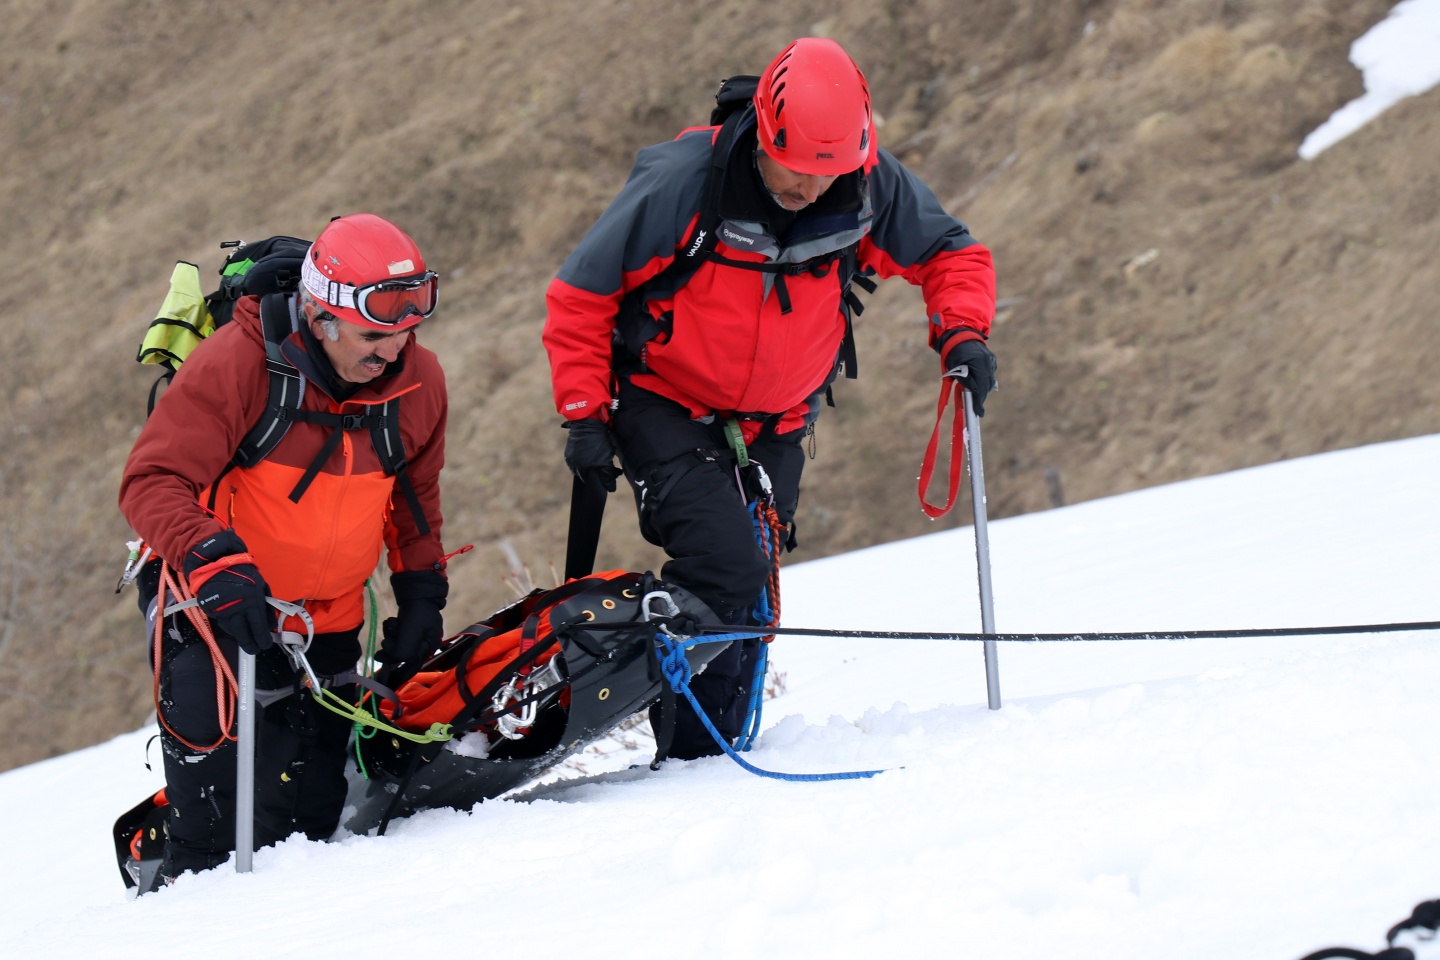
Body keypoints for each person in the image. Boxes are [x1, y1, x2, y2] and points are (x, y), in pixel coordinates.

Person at [542, 38, 998, 759]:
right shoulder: (685, 186)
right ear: (764, 133)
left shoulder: (869, 184)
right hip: (665, 400)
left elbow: (951, 253)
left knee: (749, 593)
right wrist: (584, 414)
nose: (813, 189)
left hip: (779, 422)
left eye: (831, 174)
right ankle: (688, 757)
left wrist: (963, 335)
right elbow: (581, 294)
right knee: (728, 569)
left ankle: (715, 749)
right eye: (798, 170)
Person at [119, 213, 450, 886]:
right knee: (219, 826)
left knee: (308, 817)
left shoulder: (419, 382)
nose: (393, 352)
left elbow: (414, 502)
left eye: (405, 333)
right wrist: (214, 560)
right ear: (323, 317)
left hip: (323, 621)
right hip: (212, 604)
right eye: (373, 337)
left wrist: (422, 595)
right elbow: (151, 482)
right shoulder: (239, 363)